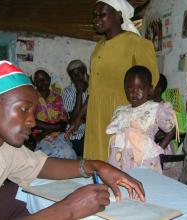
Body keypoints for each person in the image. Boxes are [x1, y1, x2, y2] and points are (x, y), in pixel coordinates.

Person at [0, 60, 145, 219]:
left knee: (23, 195)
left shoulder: (0, 143)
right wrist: (69, 209)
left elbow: (41, 165)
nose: (32, 120)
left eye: (33, 111)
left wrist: (96, 166)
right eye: (24, 109)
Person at [66, 0, 160, 162]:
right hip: (96, 117)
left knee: (118, 163)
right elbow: (94, 90)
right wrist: (78, 119)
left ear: (118, 15)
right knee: (96, 161)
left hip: (121, 117)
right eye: (94, 15)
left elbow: (151, 86)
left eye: (102, 14)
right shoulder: (98, 48)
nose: (96, 19)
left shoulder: (136, 43)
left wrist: (137, 123)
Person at [106, 66, 176, 173]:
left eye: (140, 89)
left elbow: (171, 130)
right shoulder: (120, 111)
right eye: (130, 89)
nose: (134, 93)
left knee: (143, 186)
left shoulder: (155, 109)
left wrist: (159, 149)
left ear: (150, 89)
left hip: (144, 160)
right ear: (124, 89)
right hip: (119, 159)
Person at [32, 70, 77, 159]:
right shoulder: (31, 98)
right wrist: (54, 127)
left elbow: (63, 124)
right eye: (38, 80)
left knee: (69, 154)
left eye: (44, 79)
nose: (41, 83)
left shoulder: (57, 97)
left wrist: (45, 132)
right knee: (47, 158)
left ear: (49, 80)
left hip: (57, 136)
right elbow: (32, 122)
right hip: (40, 139)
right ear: (35, 83)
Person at [62, 60, 88, 157]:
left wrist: (83, 118)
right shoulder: (67, 92)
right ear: (71, 78)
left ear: (85, 71)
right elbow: (72, 120)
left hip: (90, 133)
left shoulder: (93, 88)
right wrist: (79, 92)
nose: (77, 77)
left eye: (79, 72)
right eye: (73, 75)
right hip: (74, 136)